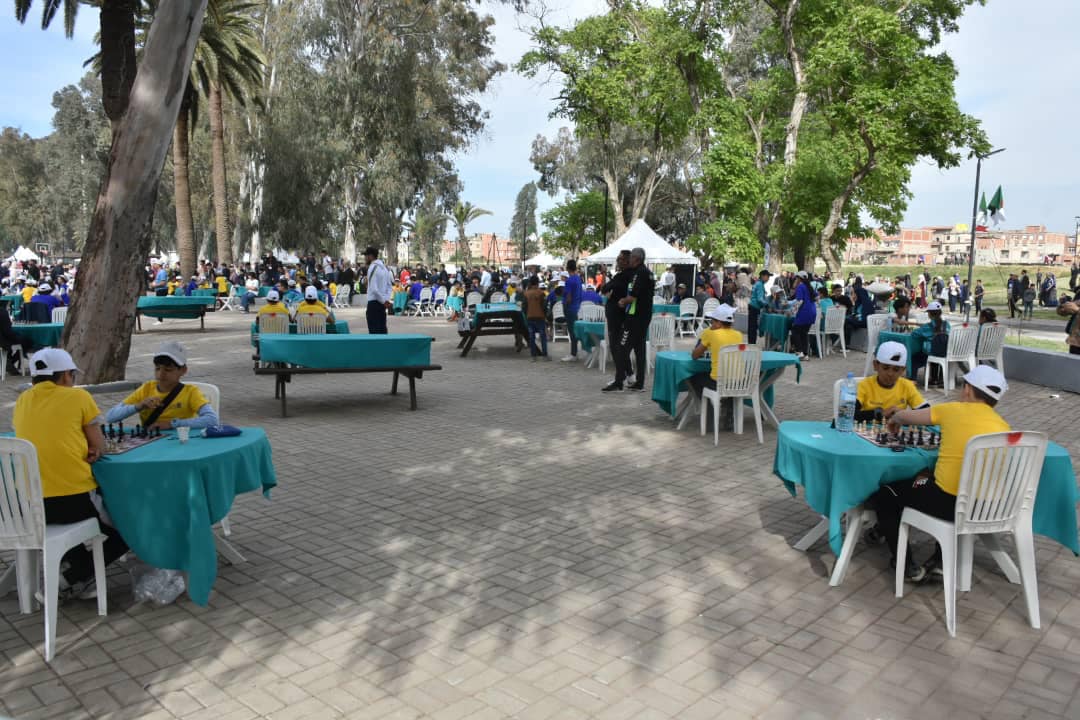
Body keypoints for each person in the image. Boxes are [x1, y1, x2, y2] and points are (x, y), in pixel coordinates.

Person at [869, 366, 1010, 581]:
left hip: (947, 503)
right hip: (986, 507)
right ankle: (939, 561)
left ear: (968, 390)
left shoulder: (952, 410)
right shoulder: (1004, 426)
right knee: (924, 476)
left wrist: (895, 417)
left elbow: (908, 416)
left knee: (887, 492)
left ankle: (904, 564)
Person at [14, 348, 126, 599]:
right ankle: (70, 578)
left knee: (83, 525)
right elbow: (99, 445)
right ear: (66, 375)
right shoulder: (79, 397)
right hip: (73, 500)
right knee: (131, 528)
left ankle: (78, 573)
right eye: (73, 375)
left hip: (31, 507)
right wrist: (93, 448)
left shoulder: (22, 400)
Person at [104, 342, 219, 432]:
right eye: (157, 368)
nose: (160, 375)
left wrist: (172, 424)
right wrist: (139, 406)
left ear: (183, 370)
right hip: (151, 442)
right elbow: (110, 417)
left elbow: (212, 420)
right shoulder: (146, 389)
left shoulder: (191, 392)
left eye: (168, 370)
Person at [613, 247, 654, 391]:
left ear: (636, 259)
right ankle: (639, 382)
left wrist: (622, 301)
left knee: (621, 348)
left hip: (635, 317)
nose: (628, 260)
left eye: (630, 257)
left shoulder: (639, 273)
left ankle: (620, 381)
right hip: (644, 316)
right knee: (639, 349)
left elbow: (633, 296)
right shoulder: (648, 273)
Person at [854, 341, 928, 422]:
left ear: (903, 370)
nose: (890, 374)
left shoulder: (907, 386)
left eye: (896, 370)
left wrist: (904, 414)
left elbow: (928, 414)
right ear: (876, 365)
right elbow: (850, 413)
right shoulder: (864, 385)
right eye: (885, 368)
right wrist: (880, 413)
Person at [601, 250, 634, 391]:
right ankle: (629, 375)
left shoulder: (623, 276)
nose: (617, 261)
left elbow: (604, 289)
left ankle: (620, 379)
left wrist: (608, 286)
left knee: (616, 347)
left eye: (620, 259)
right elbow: (606, 290)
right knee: (620, 347)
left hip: (617, 317)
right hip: (619, 315)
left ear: (627, 261)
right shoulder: (627, 276)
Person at [910, 301, 950, 385]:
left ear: (929, 314)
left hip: (932, 353)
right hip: (946, 353)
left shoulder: (928, 326)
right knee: (938, 352)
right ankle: (939, 379)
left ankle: (913, 379)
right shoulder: (947, 324)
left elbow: (914, 334)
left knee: (914, 357)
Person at [363, 246, 393, 334]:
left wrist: (383, 301)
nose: (365, 258)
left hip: (374, 303)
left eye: (366, 256)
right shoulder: (385, 268)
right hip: (382, 304)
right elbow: (389, 286)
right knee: (382, 330)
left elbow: (374, 289)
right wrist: (385, 299)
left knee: (374, 332)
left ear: (370, 256)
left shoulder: (373, 267)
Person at [522, 276, 550, 361]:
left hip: (530, 317)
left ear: (530, 283)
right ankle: (545, 356)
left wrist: (527, 314)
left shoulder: (526, 293)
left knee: (531, 337)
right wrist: (545, 315)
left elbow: (524, 307)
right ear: (538, 283)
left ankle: (533, 356)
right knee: (543, 336)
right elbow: (544, 306)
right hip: (540, 317)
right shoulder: (541, 293)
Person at [790, 272, 816, 360]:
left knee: (795, 331)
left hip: (804, 312)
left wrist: (792, 311)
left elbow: (799, 301)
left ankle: (799, 351)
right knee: (804, 333)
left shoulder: (800, 286)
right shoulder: (809, 286)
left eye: (796, 278)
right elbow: (817, 297)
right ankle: (805, 354)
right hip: (812, 311)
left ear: (798, 278)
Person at [560, 260, 583, 362]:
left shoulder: (569, 280)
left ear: (567, 268)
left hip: (570, 308)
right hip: (576, 307)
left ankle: (573, 354)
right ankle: (575, 353)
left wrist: (565, 305)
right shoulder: (578, 279)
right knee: (574, 331)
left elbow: (568, 297)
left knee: (572, 331)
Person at [748, 270, 770, 345]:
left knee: (752, 327)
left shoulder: (758, 283)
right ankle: (752, 344)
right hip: (754, 307)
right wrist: (766, 305)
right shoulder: (760, 285)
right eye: (767, 276)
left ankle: (751, 343)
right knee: (753, 328)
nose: (768, 278)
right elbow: (760, 299)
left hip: (752, 307)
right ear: (762, 276)